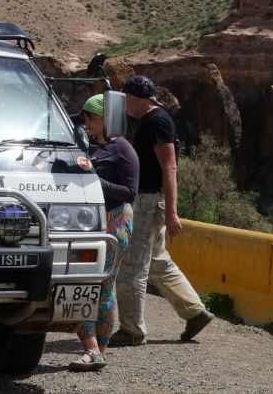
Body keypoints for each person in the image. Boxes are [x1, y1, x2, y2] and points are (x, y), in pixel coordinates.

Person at [110, 75, 214, 346]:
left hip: (147, 202)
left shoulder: (156, 121)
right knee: (157, 261)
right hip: (148, 200)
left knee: (132, 265)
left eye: (127, 97)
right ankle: (195, 312)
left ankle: (132, 330)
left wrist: (171, 211)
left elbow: (170, 167)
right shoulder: (151, 120)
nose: (125, 103)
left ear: (137, 96)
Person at [68, 93, 139, 372]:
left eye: (91, 118)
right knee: (80, 282)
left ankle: (99, 349)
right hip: (86, 220)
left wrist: (95, 177)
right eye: (83, 117)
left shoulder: (122, 149)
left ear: (106, 120)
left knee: (103, 285)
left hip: (114, 220)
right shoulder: (84, 143)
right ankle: (92, 348)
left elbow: (129, 192)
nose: (85, 122)